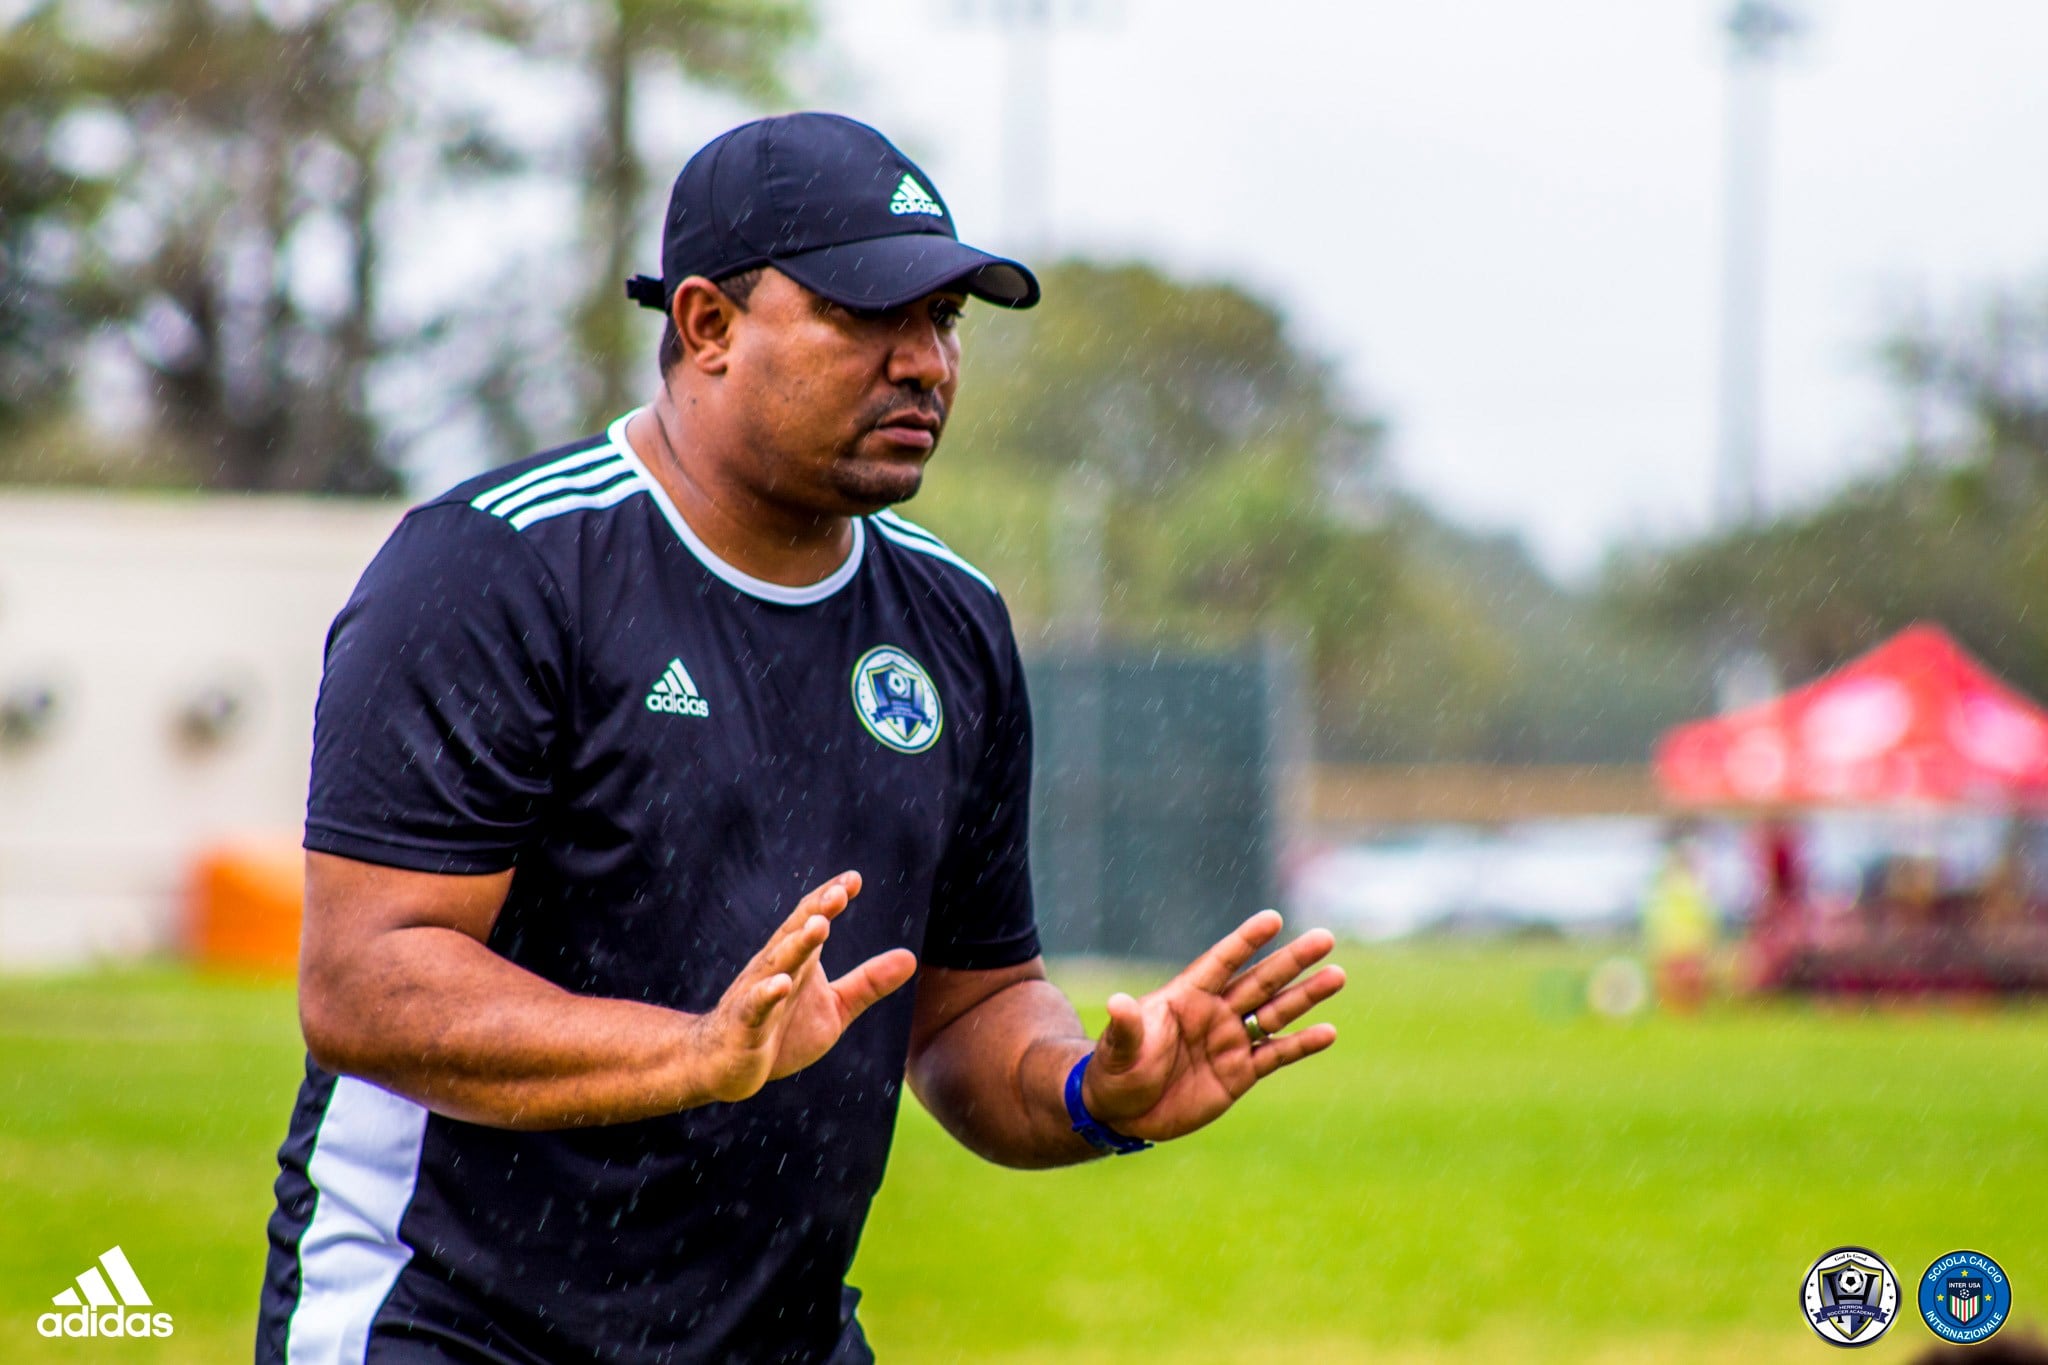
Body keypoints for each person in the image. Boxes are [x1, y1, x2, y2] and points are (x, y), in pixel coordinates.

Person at [256, 112, 1346, 1365]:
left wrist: (1088, 1093)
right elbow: (365, 982)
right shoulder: (497, 569)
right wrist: (696, 1056)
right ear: (707, 325)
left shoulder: (951, 619)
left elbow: (966, 1008)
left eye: (943, 321)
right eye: (866, 316)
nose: (926, 364)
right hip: (450, 1322)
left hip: (780, 1338)